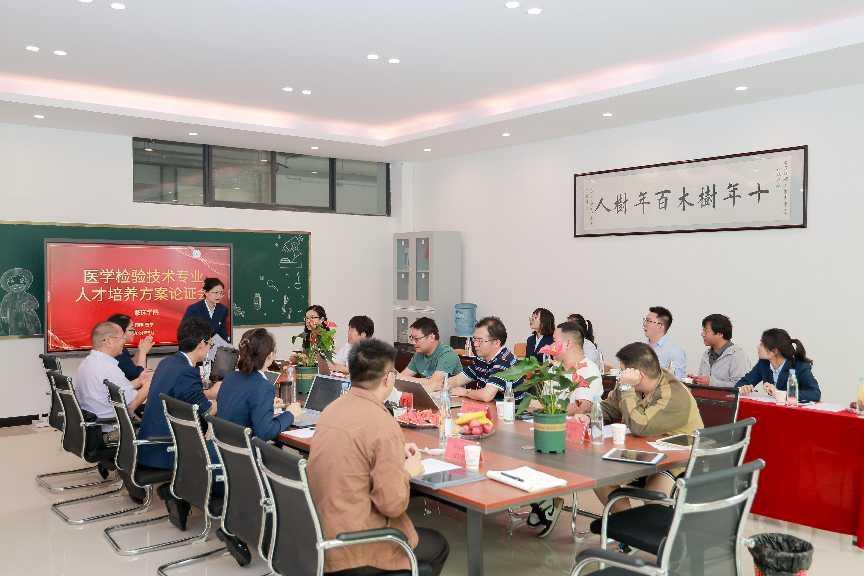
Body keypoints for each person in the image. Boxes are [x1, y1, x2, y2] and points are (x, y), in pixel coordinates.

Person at [307, 339, 450, 576]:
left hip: (322, 532)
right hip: (358, 545)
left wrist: (393, 452)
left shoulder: (332, 409)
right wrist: (408, 471)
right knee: (437, 544)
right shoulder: (382, 423)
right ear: (387, 378)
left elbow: (358, 452)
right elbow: (392, 505)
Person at [592, 342, 703, 512]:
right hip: (642, 453)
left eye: (623, 371)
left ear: (640, 375)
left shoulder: (673, 394)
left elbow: (639, 426)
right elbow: (610, 407)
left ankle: (651, 525)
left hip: (676, 460)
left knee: (654, 495)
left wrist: (627, 387)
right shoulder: (630, 384)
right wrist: (587, 416)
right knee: (598, 475)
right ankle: (627, 523)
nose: (621, 376)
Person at [137, 316, 220, 530]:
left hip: (149, 442)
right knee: (221, 450)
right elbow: (208, 410)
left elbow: (189, 396)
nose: (209, 348)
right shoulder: (186, 371)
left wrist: (209, 395)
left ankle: (180, 490)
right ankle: (183, 491)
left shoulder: (169, 363)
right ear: (201, 344)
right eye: (210, 344)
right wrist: (229, 396)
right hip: (165, 448)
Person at [217, 328, 303, 439]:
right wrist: (290, 414)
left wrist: (266, 405)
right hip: (244, 448)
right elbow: (265, 432)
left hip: (221, 446)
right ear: (270, 355)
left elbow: (238, 408)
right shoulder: (263, 387)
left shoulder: (230, 378)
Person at [74, 321, 151, 440]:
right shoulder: (108, 367)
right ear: (109, 341)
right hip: (112, 429)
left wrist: (139, 381)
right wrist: (149, 385)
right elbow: (130, 405)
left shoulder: (88, 362)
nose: (124, 342)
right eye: (122, 338)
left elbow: (118, 389)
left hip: (92, 427)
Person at [449, 316, 523, 403]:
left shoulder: (504, 361)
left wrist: (465, 392)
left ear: (496, 343)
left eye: (480, 340)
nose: (475, 344)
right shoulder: (482, 359)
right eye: (474, 339)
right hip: (489, 406)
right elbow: (458, 380)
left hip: (511, 410)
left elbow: (487, 395)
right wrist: (440, 385)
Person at [736, 328, 821, 402]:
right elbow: (741, 383)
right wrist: (743, 388)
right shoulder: (763, 364)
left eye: (762, 344)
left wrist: (780, 394)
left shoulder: (799, 366)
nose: (757, 347)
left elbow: (815, 393)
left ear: (774, 351)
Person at [399, 316, 463, 392]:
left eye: (416, 339)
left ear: (432, 337)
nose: (413, 342)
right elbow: (401, 378)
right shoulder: (419, 354)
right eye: (411, 338)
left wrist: (404, 378)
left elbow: (435, 383)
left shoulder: (448, 354)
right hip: (430, 394)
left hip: (452, 397)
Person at [553, 321, 603, 414]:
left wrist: (543, 407)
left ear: (568, 343)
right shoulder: (554, 369)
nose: (551, 346)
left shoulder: (589, 370)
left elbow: (581, 408)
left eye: (554, 341)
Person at [690, 314, 749, 388]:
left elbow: (742, 386)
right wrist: (696, 381)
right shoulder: (706, 354)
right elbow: (705, 383)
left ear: (720, 334)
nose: (702, 334)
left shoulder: (737, 355)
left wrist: (711, 383)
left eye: (706, 331)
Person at [107, 313, 154, 382]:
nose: (134, 331)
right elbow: (139, 378)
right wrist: (143, 353)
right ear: (121, 331)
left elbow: (130, 365)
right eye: (131, 328)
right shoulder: (115, 352)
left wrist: (140, 350)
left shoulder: (122, 348)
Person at [643, 306, 686, 380]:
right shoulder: (641, 348)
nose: (644, 324)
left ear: (660, 326)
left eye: (648, 321)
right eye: (645, 320)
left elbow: (677, 383)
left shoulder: (675, 352)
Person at [182, 277, 230, 342]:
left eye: (221, 293)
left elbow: (222, 332)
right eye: (216, 293)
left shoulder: (223, 310)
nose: (219, 296)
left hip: (216, 345)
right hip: (197, 345)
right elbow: (185, 333)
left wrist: (226, 345)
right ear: (205, 292)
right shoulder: (193, 309)